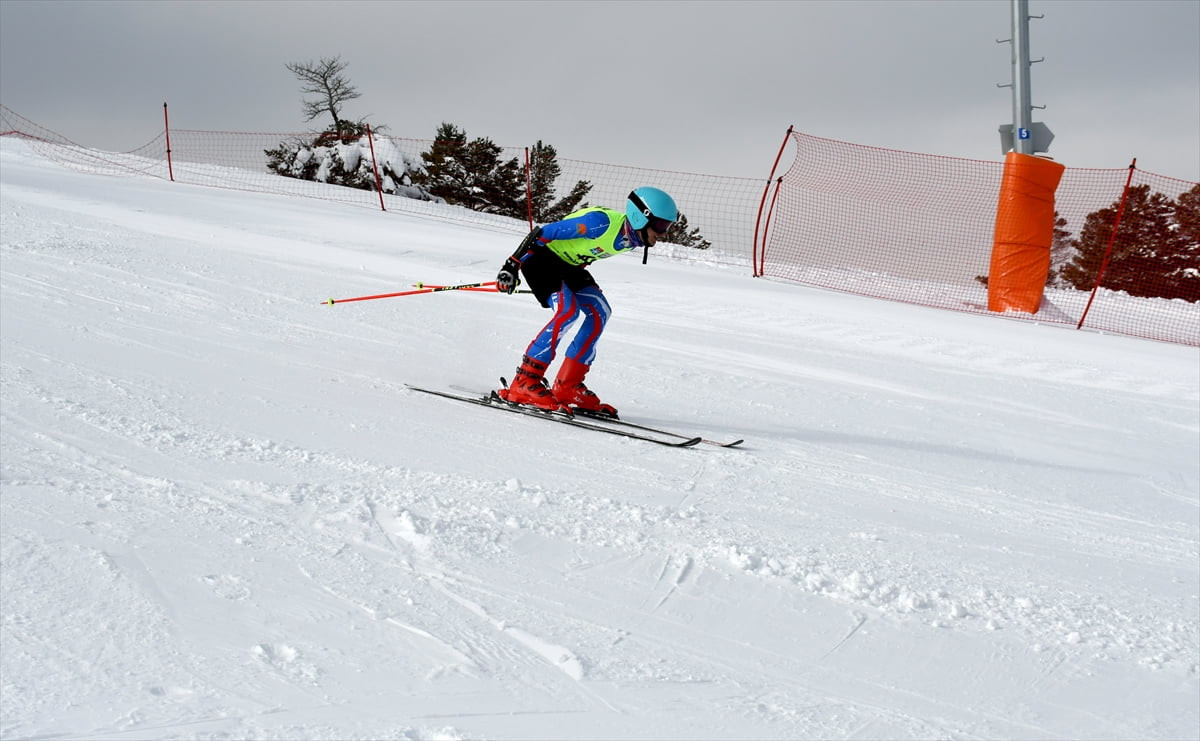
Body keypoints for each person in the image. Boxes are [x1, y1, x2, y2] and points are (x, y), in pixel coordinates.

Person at [494, 186, 679, 417]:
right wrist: (511, 266)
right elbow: (543, 233)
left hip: (568, 267)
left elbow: (584, 250)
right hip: (541, 260)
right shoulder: (599, 223)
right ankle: (525, 380)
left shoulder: (632, 238)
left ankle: (567, 386)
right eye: (660, 226)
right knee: (567, 311)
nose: (663, 234)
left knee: (600, 312)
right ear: (641, 217)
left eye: (667, 227)